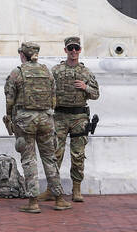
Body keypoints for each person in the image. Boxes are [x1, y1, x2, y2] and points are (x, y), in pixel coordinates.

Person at [4, 41, 72, 213]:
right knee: (50, 158)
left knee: (29, 159)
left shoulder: (17, 73)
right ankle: (59, 198)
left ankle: (33, 202)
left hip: (25, 120)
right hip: (46, 119)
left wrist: (10, 116)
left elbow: (10, 99)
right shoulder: (46, 71)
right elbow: (54, 98)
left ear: (22, 55)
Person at [38, 36, 100, 203]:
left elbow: (96, 94)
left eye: (76, 48)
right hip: (59, 117)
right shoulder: (56, 70)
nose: (73, 51)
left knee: (78, 155)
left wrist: (85, 87)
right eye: (70, 48)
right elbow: (46, 90)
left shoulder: (86, 72)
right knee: (54, 154)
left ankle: (76, 189)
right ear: (65, 50)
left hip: (79, 118)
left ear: (80, 50)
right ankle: (52, 189)